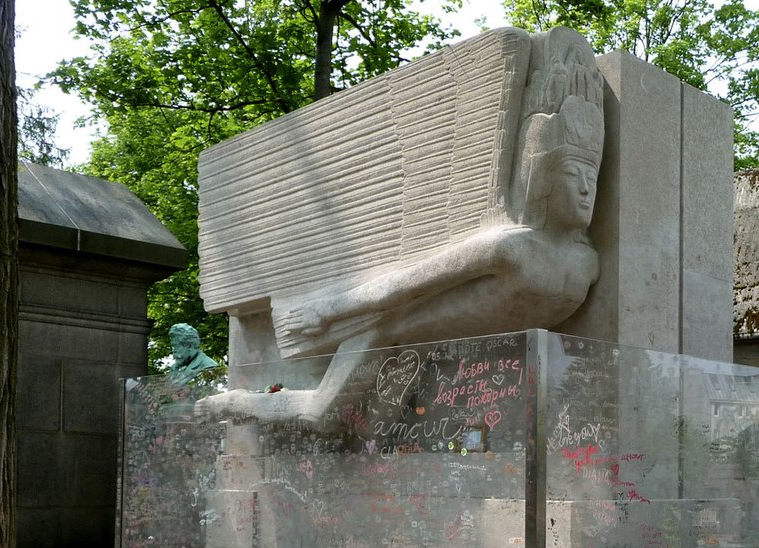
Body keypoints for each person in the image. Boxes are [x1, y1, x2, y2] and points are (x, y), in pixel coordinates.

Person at [200, 31, 603, 426]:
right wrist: (326, 310)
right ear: (543, 177)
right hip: (380, 334)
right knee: (321, 417)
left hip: (433, 358)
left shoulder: (587, 265)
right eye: (572, 172)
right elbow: (408, 283)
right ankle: (233, 404)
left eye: (592, 174)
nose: (587, 188)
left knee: (375, 431)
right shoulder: (512, 248)